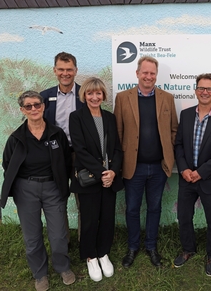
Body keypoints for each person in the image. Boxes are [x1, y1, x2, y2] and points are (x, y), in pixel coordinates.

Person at [1, 91, 75, 291]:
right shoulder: (16, 138)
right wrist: (21, 186)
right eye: (28, 106)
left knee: (59, 235)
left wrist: (63, 182)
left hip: (53, 187)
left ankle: (62, 267)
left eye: (37, 104)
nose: (33, 109)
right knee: (32, 237)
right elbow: (7, 164)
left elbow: (67, 161)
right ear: (22, 110)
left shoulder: (56, 133)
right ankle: (40, 274)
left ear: (43, 106)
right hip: (26, 190)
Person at [114, 56, 178, 268]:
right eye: (145, 72)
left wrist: (168, 151)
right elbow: (118, 132)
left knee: (155, 208)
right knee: (132, 208)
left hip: (159, 167)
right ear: (137, 73)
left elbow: (173, 129)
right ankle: (132, 247)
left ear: (156, 75)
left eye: (152, 73)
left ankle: (151, 246)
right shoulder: (123, 98)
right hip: (134, 166)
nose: (148, 76)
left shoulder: (167, 98)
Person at [173, 73, 211, 276]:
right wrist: (184, 169)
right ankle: (188, 249)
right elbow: (179, 144)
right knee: (184, 217)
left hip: (210, 179)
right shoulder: (186, 115)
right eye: (201, 88)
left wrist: (201, 172)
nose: (205, 92)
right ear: (196, 90)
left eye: (209, 89)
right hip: (187, 178)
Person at [69, 77, 123, 282]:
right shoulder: (77, 117)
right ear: (84, 95)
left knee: (107, 217)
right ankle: (90, 256)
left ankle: (103, 253)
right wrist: (102, 172)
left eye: (98, 93)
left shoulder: (109, 117)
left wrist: (113, 172)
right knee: (90, 219)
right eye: (90, 93)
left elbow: (117, 148)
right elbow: (80, 151)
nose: (94, 97)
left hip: (109, 178)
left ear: (103, 95)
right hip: (90, 178)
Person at [41, 51, 83, 243]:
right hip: (55, 155)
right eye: (61, 69)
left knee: (83, 200)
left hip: (79, 155)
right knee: (58, 200)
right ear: (54, 70)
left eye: (69, 69)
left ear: (75, 70)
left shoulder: (85, 96)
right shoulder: (44, 97)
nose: (65, 73)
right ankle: (63, 242)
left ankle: (86, 242)